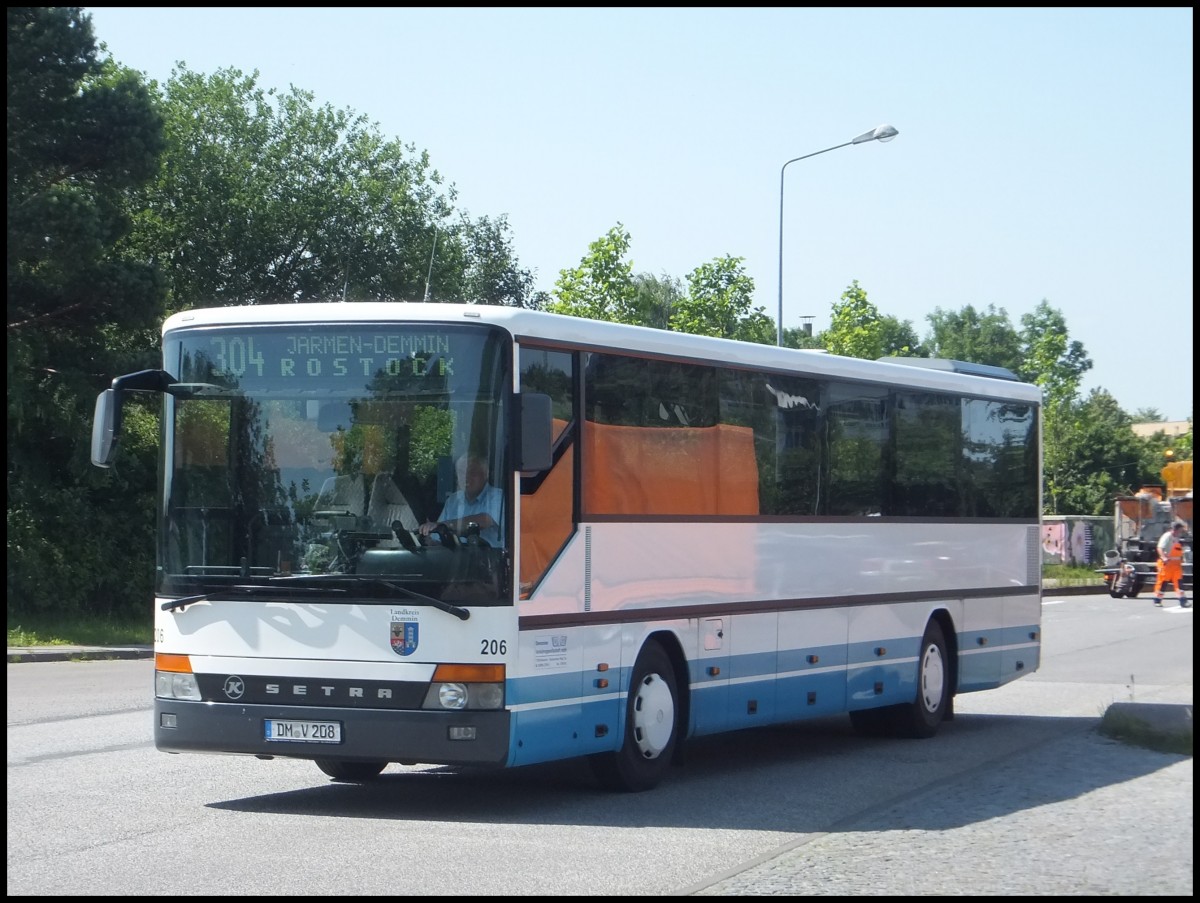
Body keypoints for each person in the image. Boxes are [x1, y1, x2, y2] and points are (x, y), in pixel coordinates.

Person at [419, 453, 503, 546]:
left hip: (490, 558)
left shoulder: (498, 496)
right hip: (457, 558)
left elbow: (484, 520)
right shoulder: (453, 500)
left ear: (485, 474)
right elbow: (439, 535)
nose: (466, 477)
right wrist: (431, 542)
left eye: (472, 472)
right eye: (461, 472)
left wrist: (445, 525)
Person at [1152, 521, 1190, 608]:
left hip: (1176, 565)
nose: (1180, 532)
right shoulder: (1167, 536)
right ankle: (1157, 600)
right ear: (1175, 530)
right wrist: (1164, 558)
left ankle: (1183, 601)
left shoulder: (1176, 537)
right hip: (1166, 564)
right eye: (1180, 530)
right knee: (1163, 582)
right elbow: (1160, 548)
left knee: (1179, 582)